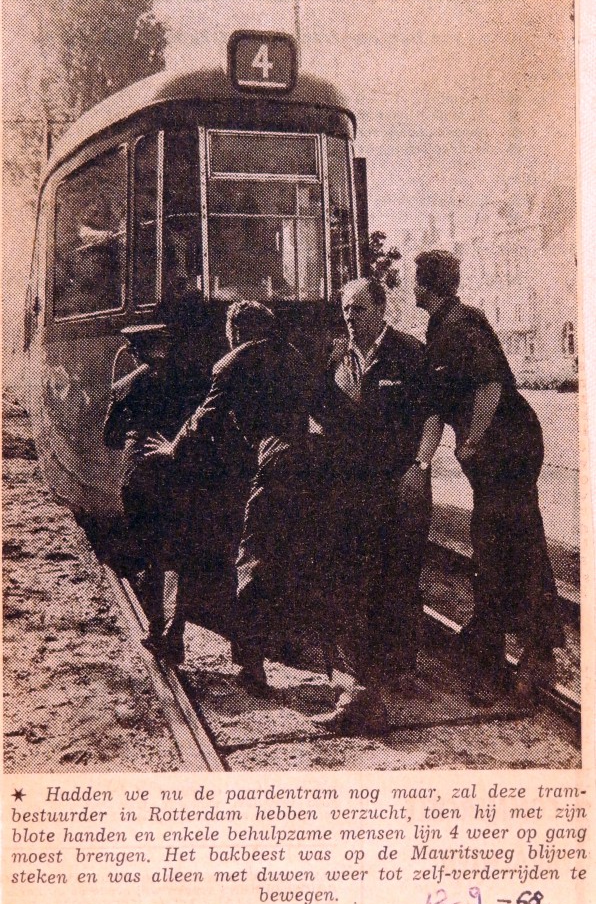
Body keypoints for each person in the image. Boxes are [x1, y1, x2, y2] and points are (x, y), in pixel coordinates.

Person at [414, 249, 565, 704]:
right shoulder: (441, 327)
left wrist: (472, 440)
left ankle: (532, 654)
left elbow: (490, 386)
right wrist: (422, 463)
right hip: (496, 455)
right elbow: (438, 408)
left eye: (416, 281)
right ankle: (505, 643)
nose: (411, 288)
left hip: (510, 449)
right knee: (497, 543)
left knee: (508, 543)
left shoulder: (461, 325)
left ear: (428, 286)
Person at [145, 301, 310, 696]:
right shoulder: (295, 358)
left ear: (234, 332)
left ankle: (251, 666)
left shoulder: (231, 364)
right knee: (287, 558)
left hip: (266, 467)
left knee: (248, 562)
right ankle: (285, 643)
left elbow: (206, 418)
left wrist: (174, 449)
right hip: (302, 467)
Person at [312, 277, 440, 735]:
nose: (350, 317)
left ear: (382, 310)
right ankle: (365, 680)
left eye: (359, 309)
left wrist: (421, 466)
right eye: (346, 309)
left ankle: (400, 671)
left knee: (400, 572)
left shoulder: (409, 352)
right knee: (353, 574)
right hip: (352, 486)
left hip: (398, 482)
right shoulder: (337, 356)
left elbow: (431, 413)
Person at [103, 324, 189, 664]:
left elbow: (109, 437)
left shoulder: (125, 387)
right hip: (174, 472)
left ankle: (156, 630)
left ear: (135, 351)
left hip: (137, 475)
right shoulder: (186, 381)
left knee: (151, 556)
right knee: (177, 558)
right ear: (163, 347)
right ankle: (174, 636)